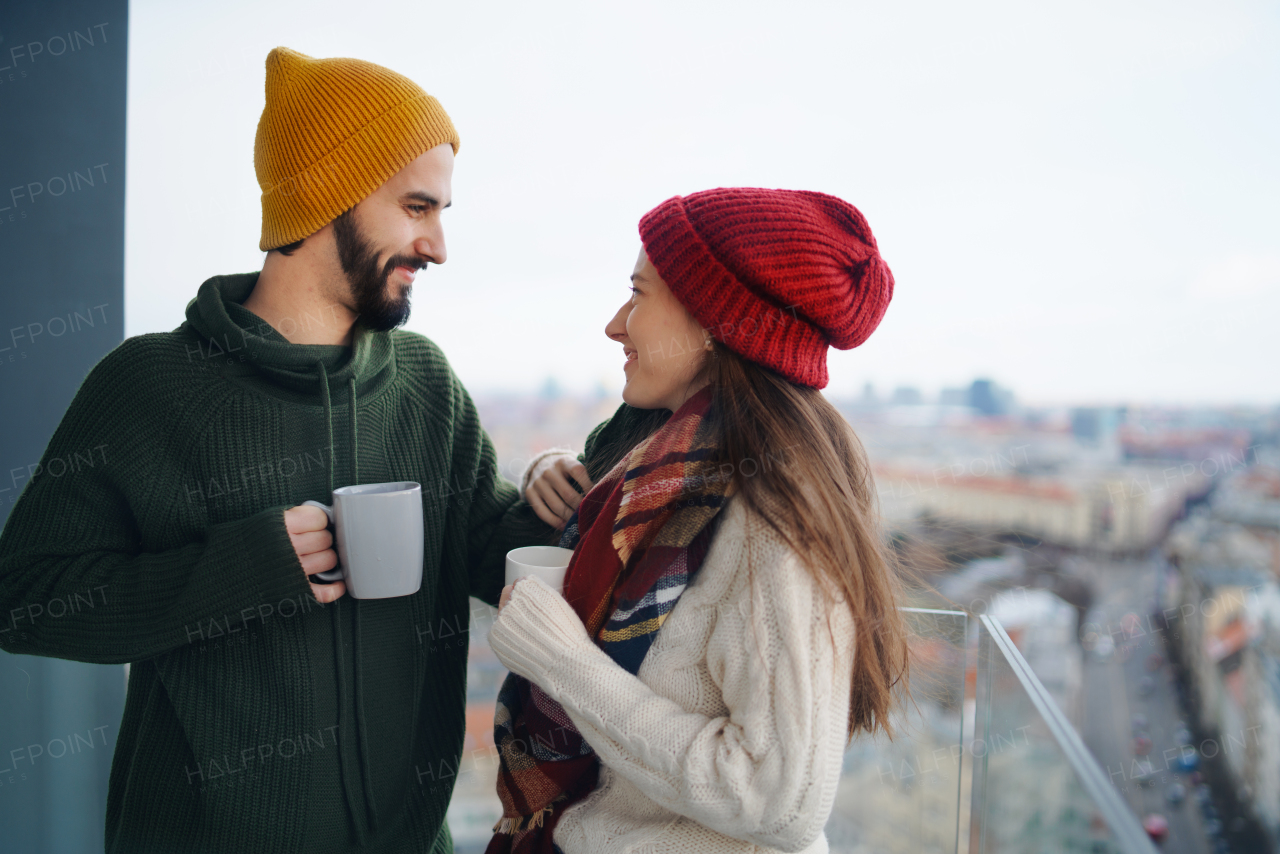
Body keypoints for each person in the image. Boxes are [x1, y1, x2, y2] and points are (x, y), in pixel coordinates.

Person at [0, 47, 548, 853]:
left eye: (442, 213)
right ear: (331, 196)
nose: (437, 245)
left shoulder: (425, 383)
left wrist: (565, 479)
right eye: (417, 207)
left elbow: (492, 550)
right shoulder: (148, 387)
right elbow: (24, 597)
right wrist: (235, 572)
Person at [485, 187, 912, 854]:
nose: (615, 323)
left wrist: (562, 662)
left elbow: (781, 800)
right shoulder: (689, 465)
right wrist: (555, 465)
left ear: (715, 319)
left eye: (639, 294)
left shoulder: (775, 504)